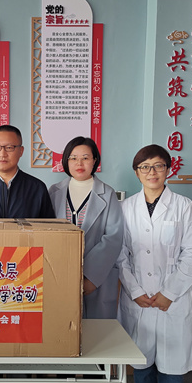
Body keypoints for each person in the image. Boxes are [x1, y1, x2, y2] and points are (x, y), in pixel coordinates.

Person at [117, 144, 192, 383]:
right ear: (137, 172)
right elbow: (120, 255)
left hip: (172, 299)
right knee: (142, 367)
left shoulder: (183, 206)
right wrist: (134, 291)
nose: (152, 172)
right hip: (139, 298)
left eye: (158, 166)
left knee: (172, 370)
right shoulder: (126, 207)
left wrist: (170, 293)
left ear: (168, 169)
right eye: (145, 167)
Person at [48, 136, 124, 319]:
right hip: (59, 272)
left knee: (96, 329)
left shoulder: (108, 194)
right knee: (62, 325)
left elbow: (113, 237)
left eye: (85, 157)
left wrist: (90, 277)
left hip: (97, 278)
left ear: (94, 160)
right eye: (73, 158)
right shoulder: (54, 192)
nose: (79, 163)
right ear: (66, 161)